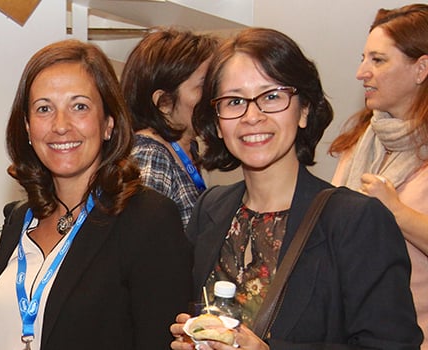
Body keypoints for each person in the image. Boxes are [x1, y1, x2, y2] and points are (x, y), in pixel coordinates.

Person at [168, 27, 422, 349]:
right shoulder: (211, 208)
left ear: (303, 110)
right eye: (234, 101)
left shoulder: (356, 221)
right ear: (218, 123)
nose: (252, 116)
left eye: (271, 96)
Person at [0, 39, 192, 349]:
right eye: (44, 109)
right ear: (28, 128)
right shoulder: (21, 218)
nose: (60, 125)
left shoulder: (148, 219)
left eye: (79, 106)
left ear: (109, 123)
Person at [330, 4, 428, 348]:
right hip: (345, 334)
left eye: (378, 60)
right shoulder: (359, 142)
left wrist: (396, 213)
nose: (361, 72)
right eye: (363, 58)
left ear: (421, 68)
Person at [120, 27, 217, 227]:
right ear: (164, 102)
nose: (215, 96)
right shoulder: (150, 156)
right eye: (203, 86)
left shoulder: (187, 149)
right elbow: (141, 244)